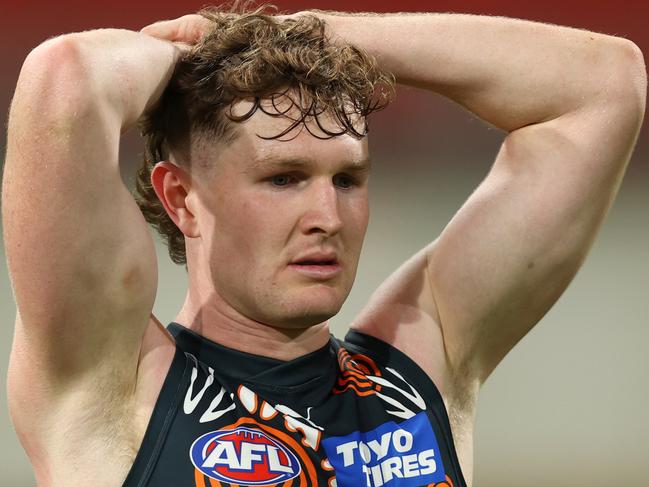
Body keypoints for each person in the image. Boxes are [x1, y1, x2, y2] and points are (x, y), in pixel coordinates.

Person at [2, 4, 645, 487]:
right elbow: (65, 80)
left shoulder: (422, 366)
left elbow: (605, 85)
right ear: (181, 198)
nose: (327, 215)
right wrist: (209, 52)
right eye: (282, 179)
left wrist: (313, 32)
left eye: (347, 179)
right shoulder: (110, 389)